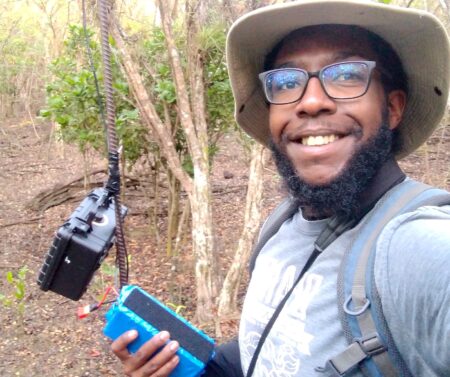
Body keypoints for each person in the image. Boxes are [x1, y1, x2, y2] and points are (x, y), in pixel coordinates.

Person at [110, 0, 450, 376]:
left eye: (348, 74)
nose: (312, 101)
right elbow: (266, 349)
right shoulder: (283, 223)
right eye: (287, 82)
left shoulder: (420, 249)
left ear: (394, 107)